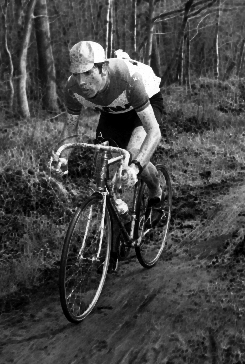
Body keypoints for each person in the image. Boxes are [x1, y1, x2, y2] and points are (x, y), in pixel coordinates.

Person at [53, 41, 165, 267]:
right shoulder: (72, 88)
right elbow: (70, 130)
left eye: (87, 73)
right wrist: (63, 156)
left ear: (103, 68)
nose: (82, 81)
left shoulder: (128, 78)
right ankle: (116, 232)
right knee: (102, 166)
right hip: (112, 112)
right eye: (76, 74)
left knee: (131, 154)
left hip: (143, 105)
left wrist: (135, 168)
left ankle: (156, 190)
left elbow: (154, 132)